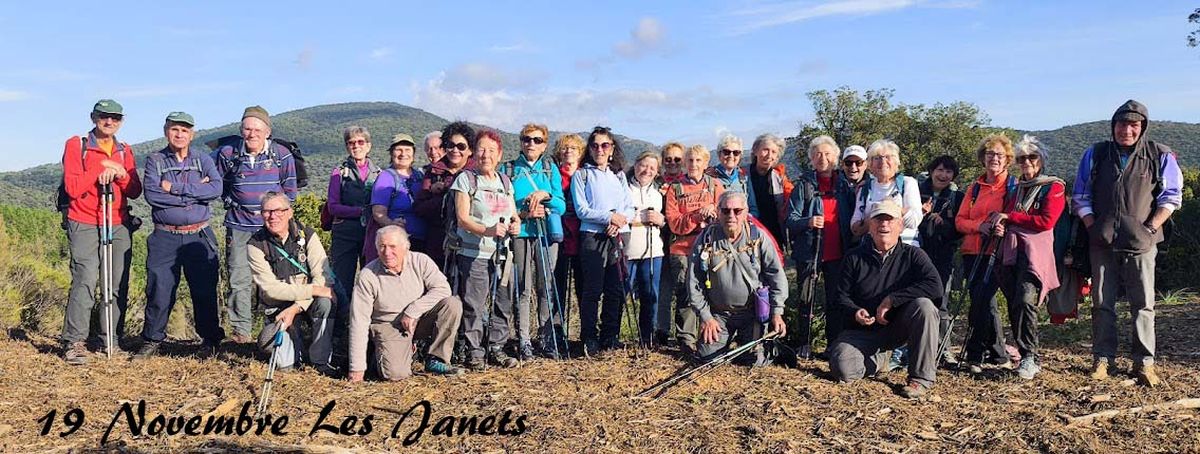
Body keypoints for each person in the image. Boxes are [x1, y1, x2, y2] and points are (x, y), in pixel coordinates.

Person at [1073, 100, 1183, 386]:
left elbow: (1171, 196)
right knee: (1101, 302)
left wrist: (1149, 228)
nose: (1127, 130)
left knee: (1143, 303)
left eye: (1134, 125)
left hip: (1143, 242)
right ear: (1113, 126)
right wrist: (1093, 227)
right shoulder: (1095, 154)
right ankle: (1102, 359)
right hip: (1102, 242)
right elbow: (1080, 195)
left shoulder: (1159, 155)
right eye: (1122, 124)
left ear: (1142, 127)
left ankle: (1144, 362)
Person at [829, 200, 943, 399]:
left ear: (900, 226)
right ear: (870, 226)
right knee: (843, 368)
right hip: (861, 332)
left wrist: (893, 299)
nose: (884, 225)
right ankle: (880, 358)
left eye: (890, 220)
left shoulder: (914, 255)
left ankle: (920, 379)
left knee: (924, 306)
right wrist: (855, 311)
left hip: (899, 327)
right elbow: (839, 297)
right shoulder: (853, 258)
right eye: (878, 220)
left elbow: (935, 286)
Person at [60, 99, 143, 364]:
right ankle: (75, 341)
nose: (109, 122)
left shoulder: (124, 150)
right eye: (104, 116)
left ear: (121, 121)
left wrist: (120, 173)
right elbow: (73, 188)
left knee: (116, 281)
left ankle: (111, 338)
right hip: (83, 219)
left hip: (117, 220)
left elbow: (134, 190)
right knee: (85, 278)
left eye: (115, 118)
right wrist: (101, 167)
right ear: (94, 117)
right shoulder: (77, 145)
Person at [137, 112, 223, 359]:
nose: (179, 134)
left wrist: (175, 189)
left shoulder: (203, 159)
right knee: (159, 290)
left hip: (199, 234)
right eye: (175, 129)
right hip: (165, 237)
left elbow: (216, 188)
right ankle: (152, 339)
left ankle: (210, 340)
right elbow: (153, 195)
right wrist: (197, 191)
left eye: (184, 130)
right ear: (166, 132)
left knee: (204, 290)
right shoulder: (155, 160)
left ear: (192, 134)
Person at [213, 105, 298, 344]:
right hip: (238, 225)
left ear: (267, 132)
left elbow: (290, 191)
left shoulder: (281, 155)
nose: (252, 134)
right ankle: (242, 333)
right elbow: (216, 184)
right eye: (247, 129)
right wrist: (229, 200)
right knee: (238, 279)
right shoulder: (228, 153)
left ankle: (274, 332)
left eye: (257, 129)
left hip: (270, 228)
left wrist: (278, 217)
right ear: (241, 130)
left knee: (275, 279)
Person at [992, 135, 1066, 380]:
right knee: (1014, 300)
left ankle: (1031, 356)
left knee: (1025, 299)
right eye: (1022, 158)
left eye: (1032, 157)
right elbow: (1008, 217)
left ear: (1041, 160)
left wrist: (1010, 217)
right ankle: (1025, 354)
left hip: (1036, 253)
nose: (1027, 162)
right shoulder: (1015, 188)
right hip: (1011, 251)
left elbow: (1046, 221)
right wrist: (1002, 224)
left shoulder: (1053, 187)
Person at [348, 225, 463, 381]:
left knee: (452, 304)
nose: (387, 252)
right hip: (388, 325)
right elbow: (359, 321)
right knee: (395, 374)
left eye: (392, 247)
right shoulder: (367, 275)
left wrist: (413, 311)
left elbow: (443, 289)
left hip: (416, 320)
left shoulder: (421, 261)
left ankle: (437, 358)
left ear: (406, 247)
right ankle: (379, 356)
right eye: (382, 246)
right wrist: (357, 368)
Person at [690, 191, 788, 366]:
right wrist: (706, 317)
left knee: (756, 361)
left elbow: (776, 276)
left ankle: (752, 348)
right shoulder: (706, 239)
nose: (731, 216)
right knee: (708, 360)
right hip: (718, 315)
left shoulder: (758, 238)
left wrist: (777, 312)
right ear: (718, 212)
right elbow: (694, 282)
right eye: (726, 211)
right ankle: (726, 347)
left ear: (746, 211)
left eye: (737, 211)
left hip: (752, 313)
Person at [452, 129, 521, 370]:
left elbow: (513, 214)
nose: (486, 154)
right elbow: (462, 218)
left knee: (502, 301)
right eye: (481, 149)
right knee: (474, 303)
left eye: (491, 150)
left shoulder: (504, 182)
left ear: (500, 155)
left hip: (503, 254)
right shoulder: (465, 180)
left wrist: (515, 224)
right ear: (473, 152)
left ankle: (496, 348)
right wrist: (487, 231)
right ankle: (475, 352)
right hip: (474, 254)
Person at [247, 192, 335, 375]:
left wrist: (296, 308)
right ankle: (297, 349)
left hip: (307, 304)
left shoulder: (308, 235)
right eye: (267, 211)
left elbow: (322, 274)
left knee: (325, 303)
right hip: (278, 309)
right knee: (285, 365)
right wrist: (314, 289)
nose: (273, 216)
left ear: (289, 212)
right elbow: (271, 290)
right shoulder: (255, 245)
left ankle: (321, 362)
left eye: (279, 210)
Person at [501, 123, 567, 360]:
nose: (531, 144)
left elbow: (561, 205)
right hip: (520, 234)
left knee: (546, 288)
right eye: (527, 139)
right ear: (520, 142)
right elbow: (503, 206)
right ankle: (524, 339)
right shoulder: (507, 169)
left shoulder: (550, 169)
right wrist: (524, 212)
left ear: (545, 144)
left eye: (537, 140)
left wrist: (545, 196)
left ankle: (547, 339)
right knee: (522, 287)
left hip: (546, 235)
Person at [786, 135, 855, 357]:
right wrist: (808, 221)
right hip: (809, 252)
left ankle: (833, 344)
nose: (822, 158)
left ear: (835, 157)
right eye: (817, 154)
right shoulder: (803, 186)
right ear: (811, 159)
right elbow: (791, 219)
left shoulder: (845, 185)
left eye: (827, 154)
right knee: (806, 300)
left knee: (836, 300)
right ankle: (804, 343)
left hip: (839, 253)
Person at [955, 134, 1016, 373]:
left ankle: (977, 353)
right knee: (982, 302)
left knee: (985, 302)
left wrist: (1004, 226)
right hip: (972, 251)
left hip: (999, 252)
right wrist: (979, 226)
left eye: (999, 155)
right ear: (983, 158)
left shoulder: (1012, 186)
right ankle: (996, 354)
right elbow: (960, 221)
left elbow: (1015, 216)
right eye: (990, 154)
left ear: (1007, 159)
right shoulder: (975, 188)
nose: (994, 159)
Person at [572, 126, 635, 355]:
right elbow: (582, 210)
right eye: (595, 145)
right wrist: (609, 217)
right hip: (592, 236)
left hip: (617, 236)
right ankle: (589, 337)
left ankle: (611, 336)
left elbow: (629, 207)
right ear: (589, 149)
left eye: (605, 145)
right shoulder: (582, 175)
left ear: (612, 149)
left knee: (615, 288)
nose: (600, 149)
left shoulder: (619, 176)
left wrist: (618, 221)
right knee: (592, 290)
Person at [664, 144, 726, 356]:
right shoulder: (676, 189)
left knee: (712, 291)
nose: (694, 164)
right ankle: (686, 339)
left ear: (706, 163)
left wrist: (714, 212)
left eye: (698, 160)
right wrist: (698, 216)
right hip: (682, 248)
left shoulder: (715, 186)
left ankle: (709, 337)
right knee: (685, 293)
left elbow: (728, 214)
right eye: (690, 160)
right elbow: (674, 223)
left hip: (710, 247)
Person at [326, 126, 382, 331]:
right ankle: (340, 330)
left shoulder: (380, 174)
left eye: (360, 142)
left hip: (371, 234)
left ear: (369, 145)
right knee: (342, 280)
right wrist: (362, 212)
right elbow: (333, 206)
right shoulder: (339, 172)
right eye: (351, 143)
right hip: (345, 233)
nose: (356, 146)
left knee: (372, 279)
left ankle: (369, 327)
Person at [917, 155, 964, 364]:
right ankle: (914, 347)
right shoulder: (916, 191)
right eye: (940, 170)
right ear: (931, 171)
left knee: (941, 302)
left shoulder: (957, 197)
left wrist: (944, 223)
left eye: (948, 172)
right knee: (914, 300)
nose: (943, 175)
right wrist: (922, 214)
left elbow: (959, 230)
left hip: (943, 255)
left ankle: (943, 349)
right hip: (917, 254)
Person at [414, 122, 475, 271]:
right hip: (438, 243)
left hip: (470, 243)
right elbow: (419, 208)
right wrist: (442, 199)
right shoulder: (433, 172)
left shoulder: (477, 174)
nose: (455, 150)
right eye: (450, 145)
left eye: (461, 146)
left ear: (470, 150)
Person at [365, 133, 426, 263]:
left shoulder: (419, 176)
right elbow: (378, 213)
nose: (403, 154)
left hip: (423, 242)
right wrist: (392, 225)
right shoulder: (386, 178)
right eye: (399, 149)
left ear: (413, 154)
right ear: (391, 154)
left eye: (407, 150)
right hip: (398, 246)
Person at [626, 152, 666, 347]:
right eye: (643, 165)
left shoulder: (658, 195)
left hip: (653, 251)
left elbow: (666, 220)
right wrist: (637, 218)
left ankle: (647, 338)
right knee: (621, 296)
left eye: (652, 168)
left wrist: (661, 220)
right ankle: (612, 337)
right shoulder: (623, 189)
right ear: (635, 165)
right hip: (627, 250)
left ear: (657, 172)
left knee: (650, 296)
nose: (647, 171)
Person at [849, 139, 922, 246]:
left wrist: (889, 208)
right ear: (870, 164)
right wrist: (881, 211)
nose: (883, 162)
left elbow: (914, 221)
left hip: (905, 247)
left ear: (896, 162)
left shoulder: (908, 183)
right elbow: (855, 228)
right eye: (877, 158)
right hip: (871, 249)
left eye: (888, 157)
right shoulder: (864, 188)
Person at [552, 133, 586, 353]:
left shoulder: (586, 175)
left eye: (573, 148)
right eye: (565, 148)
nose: (569, 151)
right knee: (557, 289)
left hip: (583, 239)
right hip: (560, 239)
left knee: (584, 290)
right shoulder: (554, 175)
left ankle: (585, 336)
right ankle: (556, 336)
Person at [653, 141, 686, 346]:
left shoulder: (687, 184)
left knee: (684, 289)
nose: (673, 163)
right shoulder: (656, 184)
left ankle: (684, 334)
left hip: (681, 243)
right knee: (663, 289)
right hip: (659, 242)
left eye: (677, 159)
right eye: (669, 159)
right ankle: (662, 331)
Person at [745, 133, 794, 244]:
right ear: (755, 150)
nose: (769, 155)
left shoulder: (780, 178)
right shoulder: (742, 175)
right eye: (765, 150)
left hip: (775, 235)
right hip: (749, 235)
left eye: (774, 152)